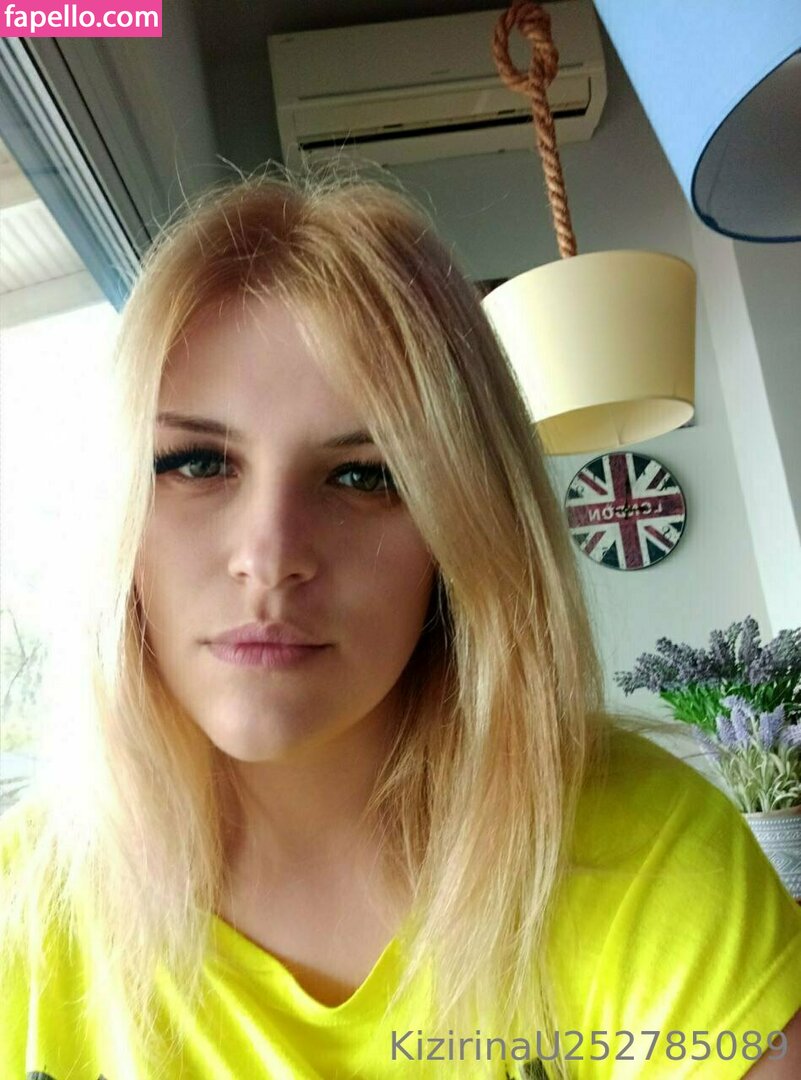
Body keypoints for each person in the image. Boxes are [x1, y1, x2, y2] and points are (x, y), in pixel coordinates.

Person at [1, 165, 799, 1080]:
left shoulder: (647, 850)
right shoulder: (19, 906)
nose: (269, 555)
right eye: (195, 463)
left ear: (464, 533)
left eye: (363, 476)